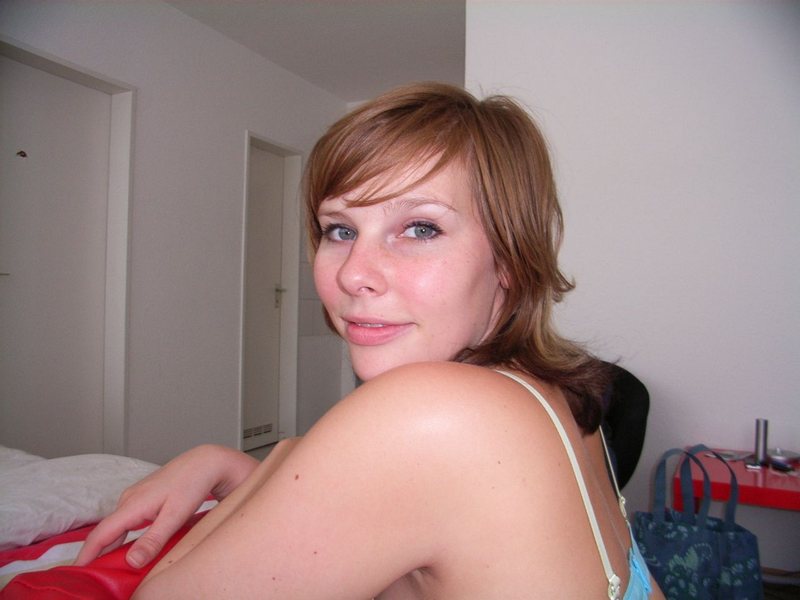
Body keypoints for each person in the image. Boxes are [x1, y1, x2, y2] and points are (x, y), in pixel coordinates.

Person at [76, 82, 663, 599]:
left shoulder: (432, 411)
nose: (354, 273)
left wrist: (286, 456)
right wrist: (230, 465)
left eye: (420, 228)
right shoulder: (554, 397)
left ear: (509, 258)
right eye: (340, 229)